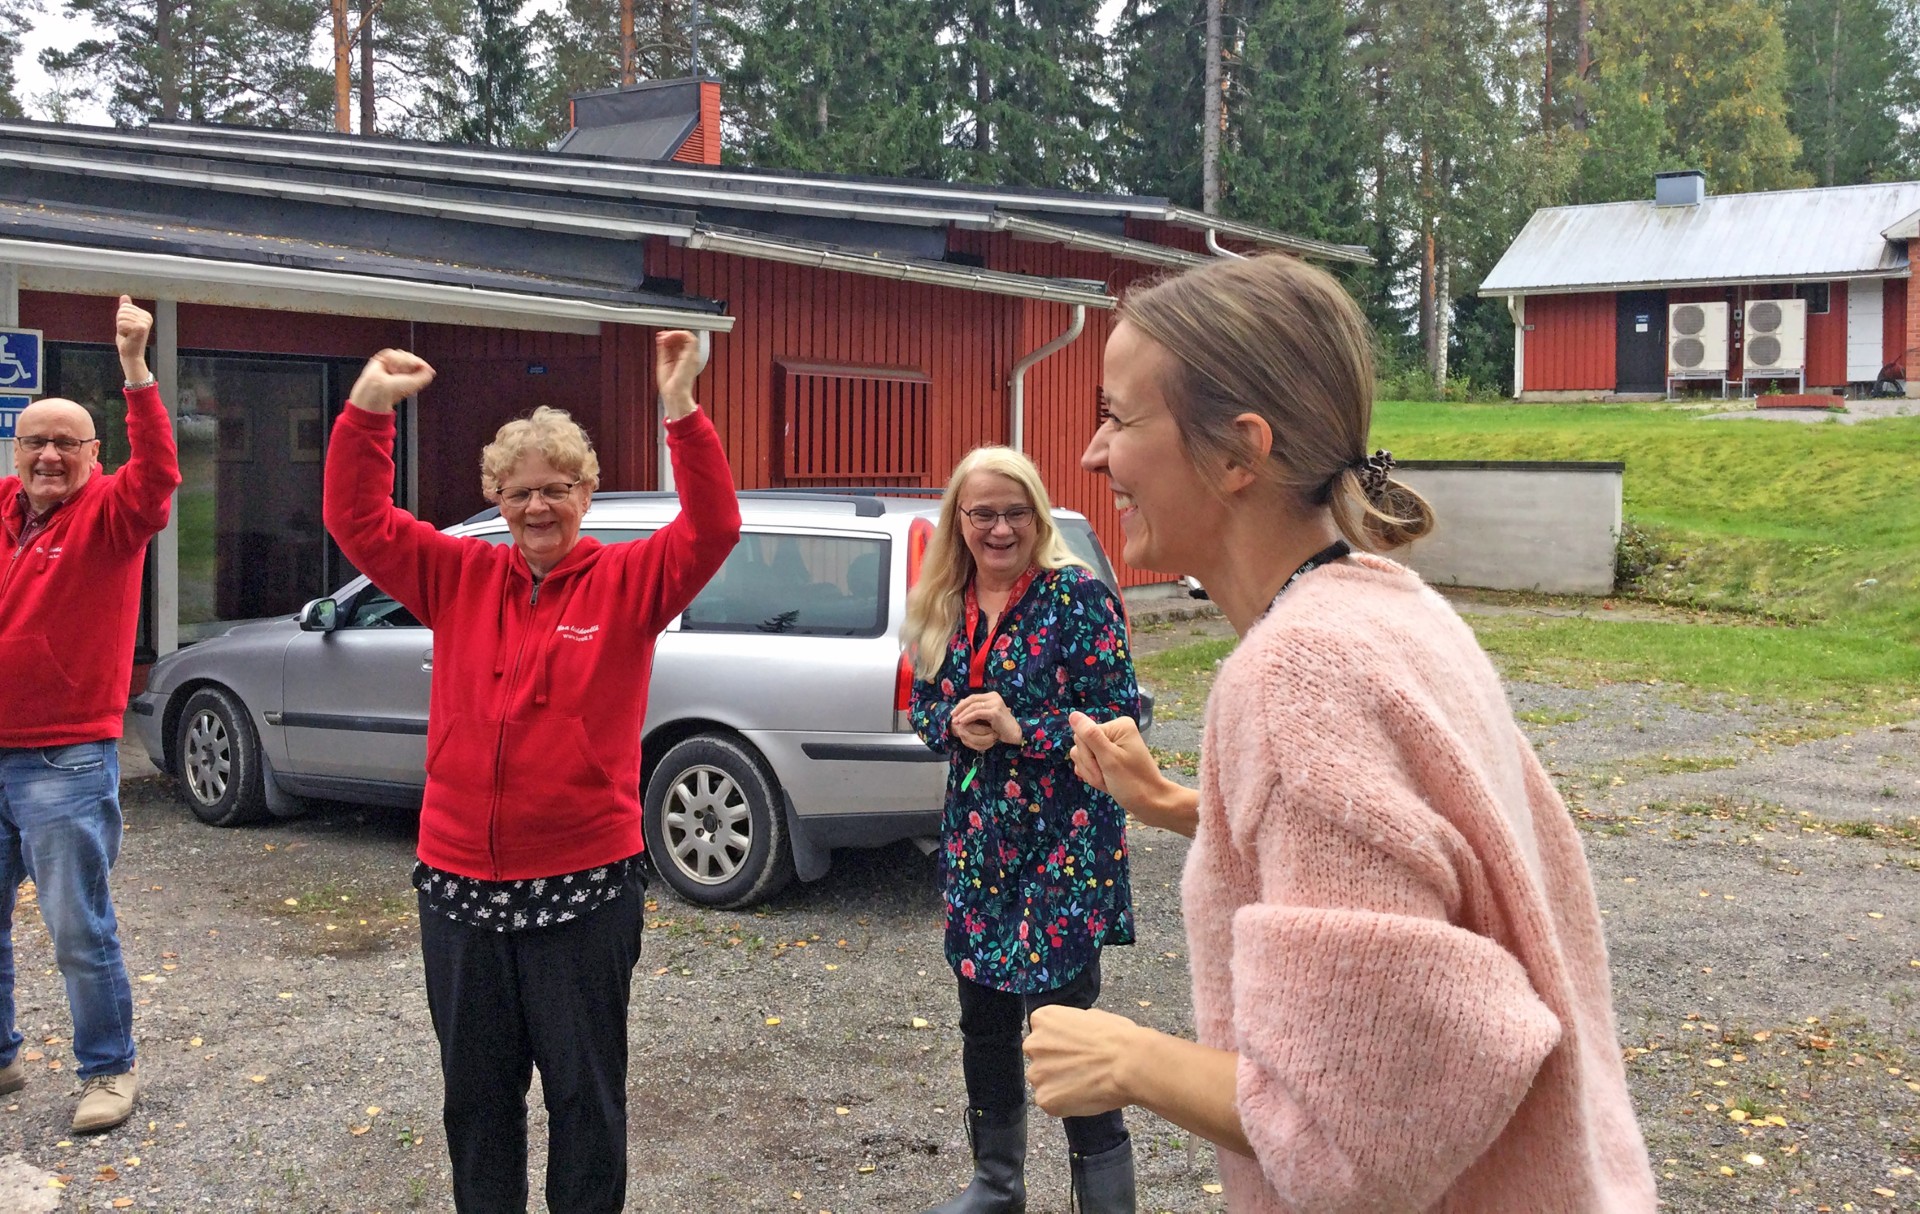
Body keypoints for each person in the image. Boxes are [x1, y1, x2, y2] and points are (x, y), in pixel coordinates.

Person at [1021, 254, 1659, 1211]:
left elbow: (1352, 1131)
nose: (1091, 455)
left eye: (1119, 416)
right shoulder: (1391, 610)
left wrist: (1128, 1058)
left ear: (1238, 454)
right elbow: (1409, 853)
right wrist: (1180, 806)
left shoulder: (1297, 675)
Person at [322, 332, 739, 1214]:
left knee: (586, 1100)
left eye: (557, 488)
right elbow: (359, 521)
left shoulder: (629, 581)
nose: (538, 506)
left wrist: (680, 409)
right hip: (458, 887)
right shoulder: (457, 575)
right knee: (476, 1102)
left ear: (587, 493)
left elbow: (712, 528)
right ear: (496, 499)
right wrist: (366, 412)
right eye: (520, 492)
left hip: (582, 888)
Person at [904, 446, 1140, 1214]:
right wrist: (954, 724)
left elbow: (1120, 723)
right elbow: (922, 706)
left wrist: (1021, 729)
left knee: (1065, 1030)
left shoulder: (1078, 598)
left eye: (1015, 513)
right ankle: (996, 1185)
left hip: (1062, 851)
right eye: (983, 514)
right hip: (978, 851)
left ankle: (1104, 1200)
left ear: (1037, 517)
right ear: (960, 521)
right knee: (983, 1023)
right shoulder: (944, 600)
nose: (1000, 529)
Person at [0, 296, 180, 1134]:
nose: (48, 455)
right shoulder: (4, 511)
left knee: (76, 927)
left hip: (63, 758)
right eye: (34, 440)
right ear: (16, 449)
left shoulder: (112, 514)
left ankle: (108, 1068)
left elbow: (159, 477)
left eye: (66, 443)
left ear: (92, 454)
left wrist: (135, 368)